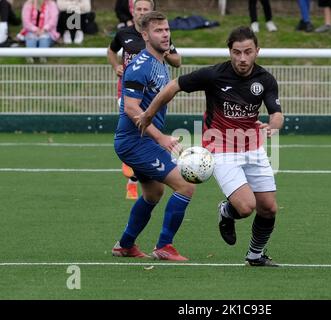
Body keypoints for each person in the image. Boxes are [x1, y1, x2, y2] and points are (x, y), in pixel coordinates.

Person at [136, 26, 284, 267]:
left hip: (253, 148)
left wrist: (273, 125)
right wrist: (149, 114)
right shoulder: (215, 75)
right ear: (230, 51)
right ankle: (228, 211)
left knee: (268, 208)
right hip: (221, 148)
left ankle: (255, 256)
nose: (242, 59)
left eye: (248, 52)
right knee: (246, 207)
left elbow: (277, 113)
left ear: (257, 51)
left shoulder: (265, 79)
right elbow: (174, 85)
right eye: (237, 52)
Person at [111, 10, 194, 261]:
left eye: (167, 29)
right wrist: (161, 138)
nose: (165, 34)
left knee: (153, 193)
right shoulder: (140, 66)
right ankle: (164, 246)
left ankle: (125, 245)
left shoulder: (160, 62)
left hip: (142, 140)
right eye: (159, 30)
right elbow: (131, 108)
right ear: (145, 35)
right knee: (186, 185)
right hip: (135, 142)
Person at [107, 0, 181, 200]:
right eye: (137, 9)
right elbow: (111, 51)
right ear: (133, 11)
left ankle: (135, 165)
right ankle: (131, 171)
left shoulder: (159, 38)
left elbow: (177, 61)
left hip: (150, 95)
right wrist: (116, 67)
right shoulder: (124, 34)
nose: (140, 12)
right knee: (131, 127)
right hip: (129, 93)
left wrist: (164, 52)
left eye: (145, 9)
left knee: (155, 193)